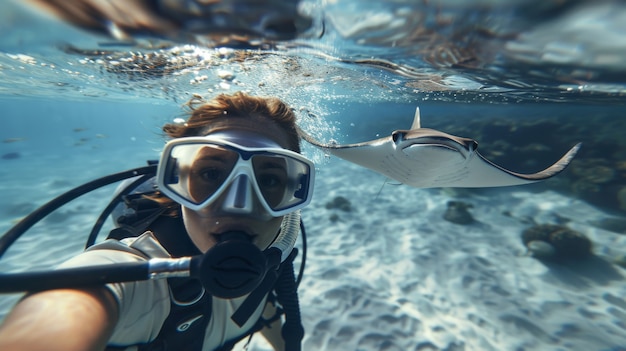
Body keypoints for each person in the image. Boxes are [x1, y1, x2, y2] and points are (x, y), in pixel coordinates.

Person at [0, 92, 315, 351]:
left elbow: (263, 304)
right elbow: (68, 304)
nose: (238, 204)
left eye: (270, 180)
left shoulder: (273, 255)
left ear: (293, 193)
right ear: (176, 184)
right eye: (210, 174)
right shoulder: (137, 276)